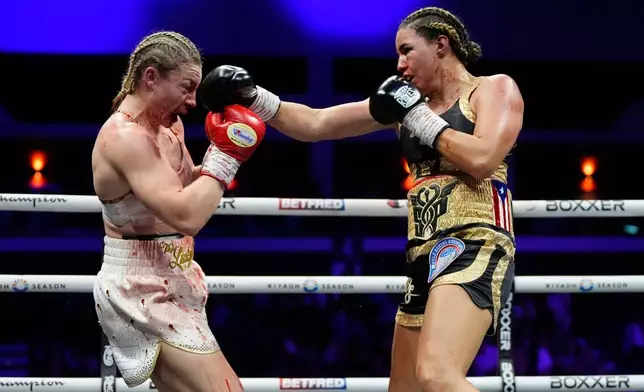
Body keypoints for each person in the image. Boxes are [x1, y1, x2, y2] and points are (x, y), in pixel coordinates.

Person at [198, 6, 523, 392]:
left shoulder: (493, 88)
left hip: (477, 242)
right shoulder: (405, 105)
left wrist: (418, 117)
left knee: (437, 376)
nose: (400, 64)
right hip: (424, 253)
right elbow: (316, 123)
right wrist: (252, 97)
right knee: (404, 389)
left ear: (441, 45)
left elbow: (483, 159)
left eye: (407, 50)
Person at [92, 31, 266, 392]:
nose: (192, 101)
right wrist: (226, 157)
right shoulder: (126, 137)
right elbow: (186, 216)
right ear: (150, 77)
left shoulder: (170, 125)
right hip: (139, 285)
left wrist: (220, 161)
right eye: (186, 88)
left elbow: (179, 187)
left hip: (178, 273)